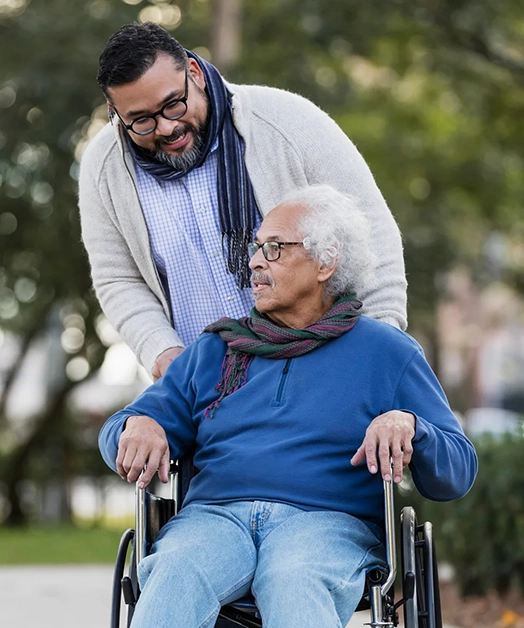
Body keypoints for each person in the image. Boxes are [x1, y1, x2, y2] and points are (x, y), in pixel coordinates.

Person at [99, 184, 477, 628]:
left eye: (274, 248)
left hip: (326, 525)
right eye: (257, 248)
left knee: (293, 578)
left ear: (326, 261)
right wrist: (137, 425)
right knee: (175, 571)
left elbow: (458, 470)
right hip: (215, 520)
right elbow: (120, 430)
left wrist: (412, 426)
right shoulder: (216, 350)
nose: (255, 261)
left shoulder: (387, 353)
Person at [79, 22, 408, 381]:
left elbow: (372, 234)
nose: (165, 127)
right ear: (114, 111)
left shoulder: (289, 121)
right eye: (141, 120)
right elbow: (118, 278)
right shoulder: (104, 167)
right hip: (210, 395)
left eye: (173, 104)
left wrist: (379, 350)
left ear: (194, 73)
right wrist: (162, 351)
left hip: (325, 375)